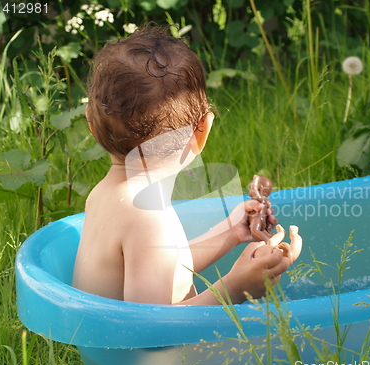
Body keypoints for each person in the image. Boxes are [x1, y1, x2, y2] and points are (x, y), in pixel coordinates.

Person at [73, 25, 301, 306]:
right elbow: (150, 329)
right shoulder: (148, 216)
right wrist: (236, 287)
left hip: (105, 349)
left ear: (91, 126)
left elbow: (160, 266)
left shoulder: (107, 195)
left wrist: (230, 232)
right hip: (145, 351)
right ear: (201, 131)